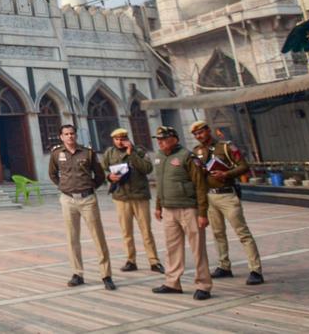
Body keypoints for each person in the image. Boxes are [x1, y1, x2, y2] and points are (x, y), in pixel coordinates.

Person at [189, 120, 264, 285]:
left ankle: (255, 270)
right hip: (210, 196)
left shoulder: (225, 147)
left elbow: (244, 166)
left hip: (227, 195)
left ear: (208, 130)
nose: (199, 136)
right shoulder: (196, 151)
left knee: (242, 233)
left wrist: (227, 174)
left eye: (200, 132)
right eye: (195, 134)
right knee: (218, 233)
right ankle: (224, 266)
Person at [47, 124, 115, 290]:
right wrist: (63, 186)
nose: (70, 136)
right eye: (66, 134)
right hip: (68, 199)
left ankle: (106, 275)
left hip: (87, 199)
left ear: (76, 135)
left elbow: (99, 175)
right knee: (72, 237)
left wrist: (90, 187)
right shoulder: (57, 154)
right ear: (61, 137)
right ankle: (77, 273)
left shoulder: (87, 153)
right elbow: (52, 174)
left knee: (98, 236)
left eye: (72, 133)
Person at [152, 125, 212, 300]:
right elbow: (160, 184)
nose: (160, 142)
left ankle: (203, 285)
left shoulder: (187, 156)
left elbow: (200, 185)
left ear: (174, 139)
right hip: (168, 209)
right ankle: (172, 282)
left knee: (198, 248)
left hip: (189, 208)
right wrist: (158, 206)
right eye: (158, 139)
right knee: (172, 247)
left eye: (164, 139)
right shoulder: (159, 157)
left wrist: (202, 213)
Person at [101, 127, 163, 274]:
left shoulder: (139, 151)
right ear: (113, 140)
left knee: (146, 231)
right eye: (117, 139)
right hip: (121, 197)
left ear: (127, 139)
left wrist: (132, 154)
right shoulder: (109, 153)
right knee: (126, 232)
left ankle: (154, 261)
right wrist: (109, 177)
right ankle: (131, 260)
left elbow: (147, 169)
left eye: (122, 139)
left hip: (139, 196)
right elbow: (103, 170)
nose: (120, 142)